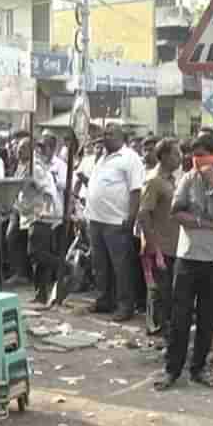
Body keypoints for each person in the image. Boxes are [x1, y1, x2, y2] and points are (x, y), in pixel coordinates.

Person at [155, 133, 213, 390]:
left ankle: (198, 368)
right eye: (193, 156)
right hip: (188, 257)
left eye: (201, 156)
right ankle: (172, 370)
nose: (196, 161)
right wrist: (204, 223)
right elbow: (176, 212)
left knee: (207, 318)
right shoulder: (187, 180)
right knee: (179, 317)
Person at [86, 125, 145, 322]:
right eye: (105, 134)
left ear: (121, 136)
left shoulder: (130, 158)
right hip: (96, 219)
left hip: (116, 221)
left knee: (121, 267)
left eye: (110, 134)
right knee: (100, 265)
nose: (105, 137)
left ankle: (125, 306)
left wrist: (131, 217)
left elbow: (136, 190)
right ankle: (104, 300)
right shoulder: (102, 157)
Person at [139, 139, 182, 336]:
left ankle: (164, 327)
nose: (180, 157)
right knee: (158, 290)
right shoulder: (154, 180)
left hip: (173, 243)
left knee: (169, 291)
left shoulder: (172, 180)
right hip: (159, 244)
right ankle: (155, 329)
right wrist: (151, 242)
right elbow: (144, 213)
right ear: (164, 156)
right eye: (175, 154)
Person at [20, 135, 64, 304]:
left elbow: (48, 190)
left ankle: (65, 267)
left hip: (41, 216)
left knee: (35, 253)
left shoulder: (35, 167)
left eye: (22, 148)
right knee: (39, 262)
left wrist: (45, 209)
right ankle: (41, 294)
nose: (18, 151)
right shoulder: (25, 166)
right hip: (32, 215)